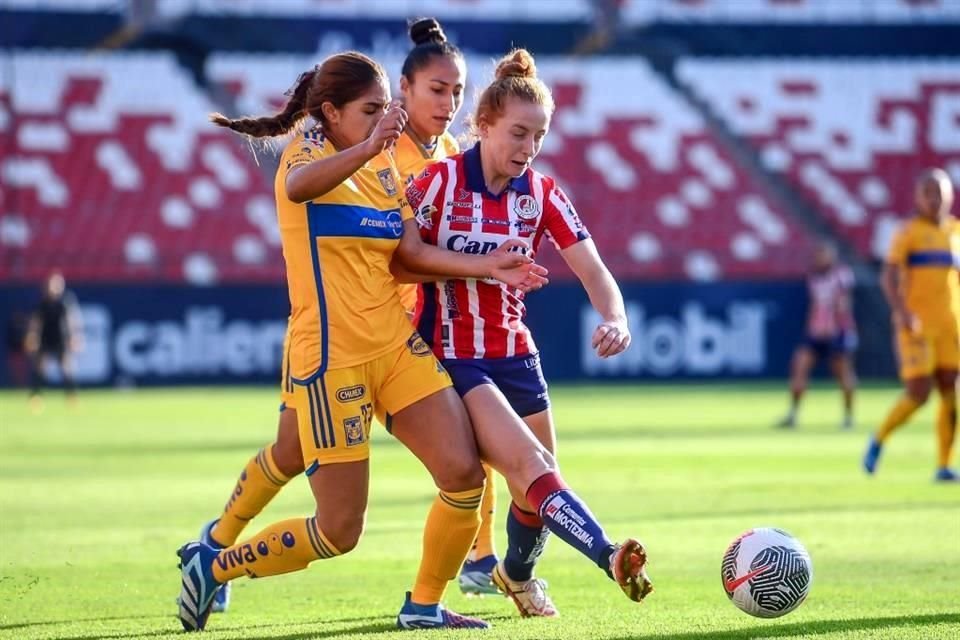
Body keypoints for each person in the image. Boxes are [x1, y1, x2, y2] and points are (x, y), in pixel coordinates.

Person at [176, 50, 547, 632]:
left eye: (384, 111)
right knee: (339, 529)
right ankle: (214, 565)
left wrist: (486, 267)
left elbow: (412, 254)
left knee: (464, 475)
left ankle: (423, 605)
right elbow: (298, 189)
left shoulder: (382, 171)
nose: (382, 120)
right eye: (371, 110)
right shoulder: (310, 151)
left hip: (396, 346)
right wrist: (372, 145)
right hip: (332, 359)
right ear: (330, 112)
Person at [405, 48, 652, 618]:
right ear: (485, 123)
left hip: (516, 352)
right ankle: (609, 553)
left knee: (536, 489)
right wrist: (483, 261)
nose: (528, 149)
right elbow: (400, 261)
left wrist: (615, 317)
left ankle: (516, 574)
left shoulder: (540, 194)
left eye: (538, 137)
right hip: (454, 356)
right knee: (531, 465)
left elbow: (593, 269)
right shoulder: (437, 183)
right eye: (518, 133)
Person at [863, 168, 959, 482]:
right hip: (917, 324)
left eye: (941, 193)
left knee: (950, 390)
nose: (936, 200)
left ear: (950, 196)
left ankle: (943, 465)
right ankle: (879, 438)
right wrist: (902, 312)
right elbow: (888, 275)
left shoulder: (956, 232)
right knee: (919, 392)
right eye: (929, 193)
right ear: (918, 198)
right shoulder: (908, 233)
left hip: (950, 324)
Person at [777, 242, 858, 429]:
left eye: (825, 255)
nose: (821, 259)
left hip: (838, 331)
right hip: (816, 332)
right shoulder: (814, 277)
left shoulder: (841, 275)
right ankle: (793, 414)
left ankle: (848, 417)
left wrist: (838, 326)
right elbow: (815, 305)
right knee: (800, 366)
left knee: (842, 373)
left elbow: (843, 303)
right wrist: (811, 327)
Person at [25, 271, 82, 408]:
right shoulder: (43, 302)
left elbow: (71, 320)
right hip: (45, 337)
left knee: (66, 368)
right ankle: (36, 397)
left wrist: (74, 337)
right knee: (40, 369)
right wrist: (32, 336)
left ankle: (71, 397)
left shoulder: (65, 301)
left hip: (60, 337)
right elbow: (36, 321)